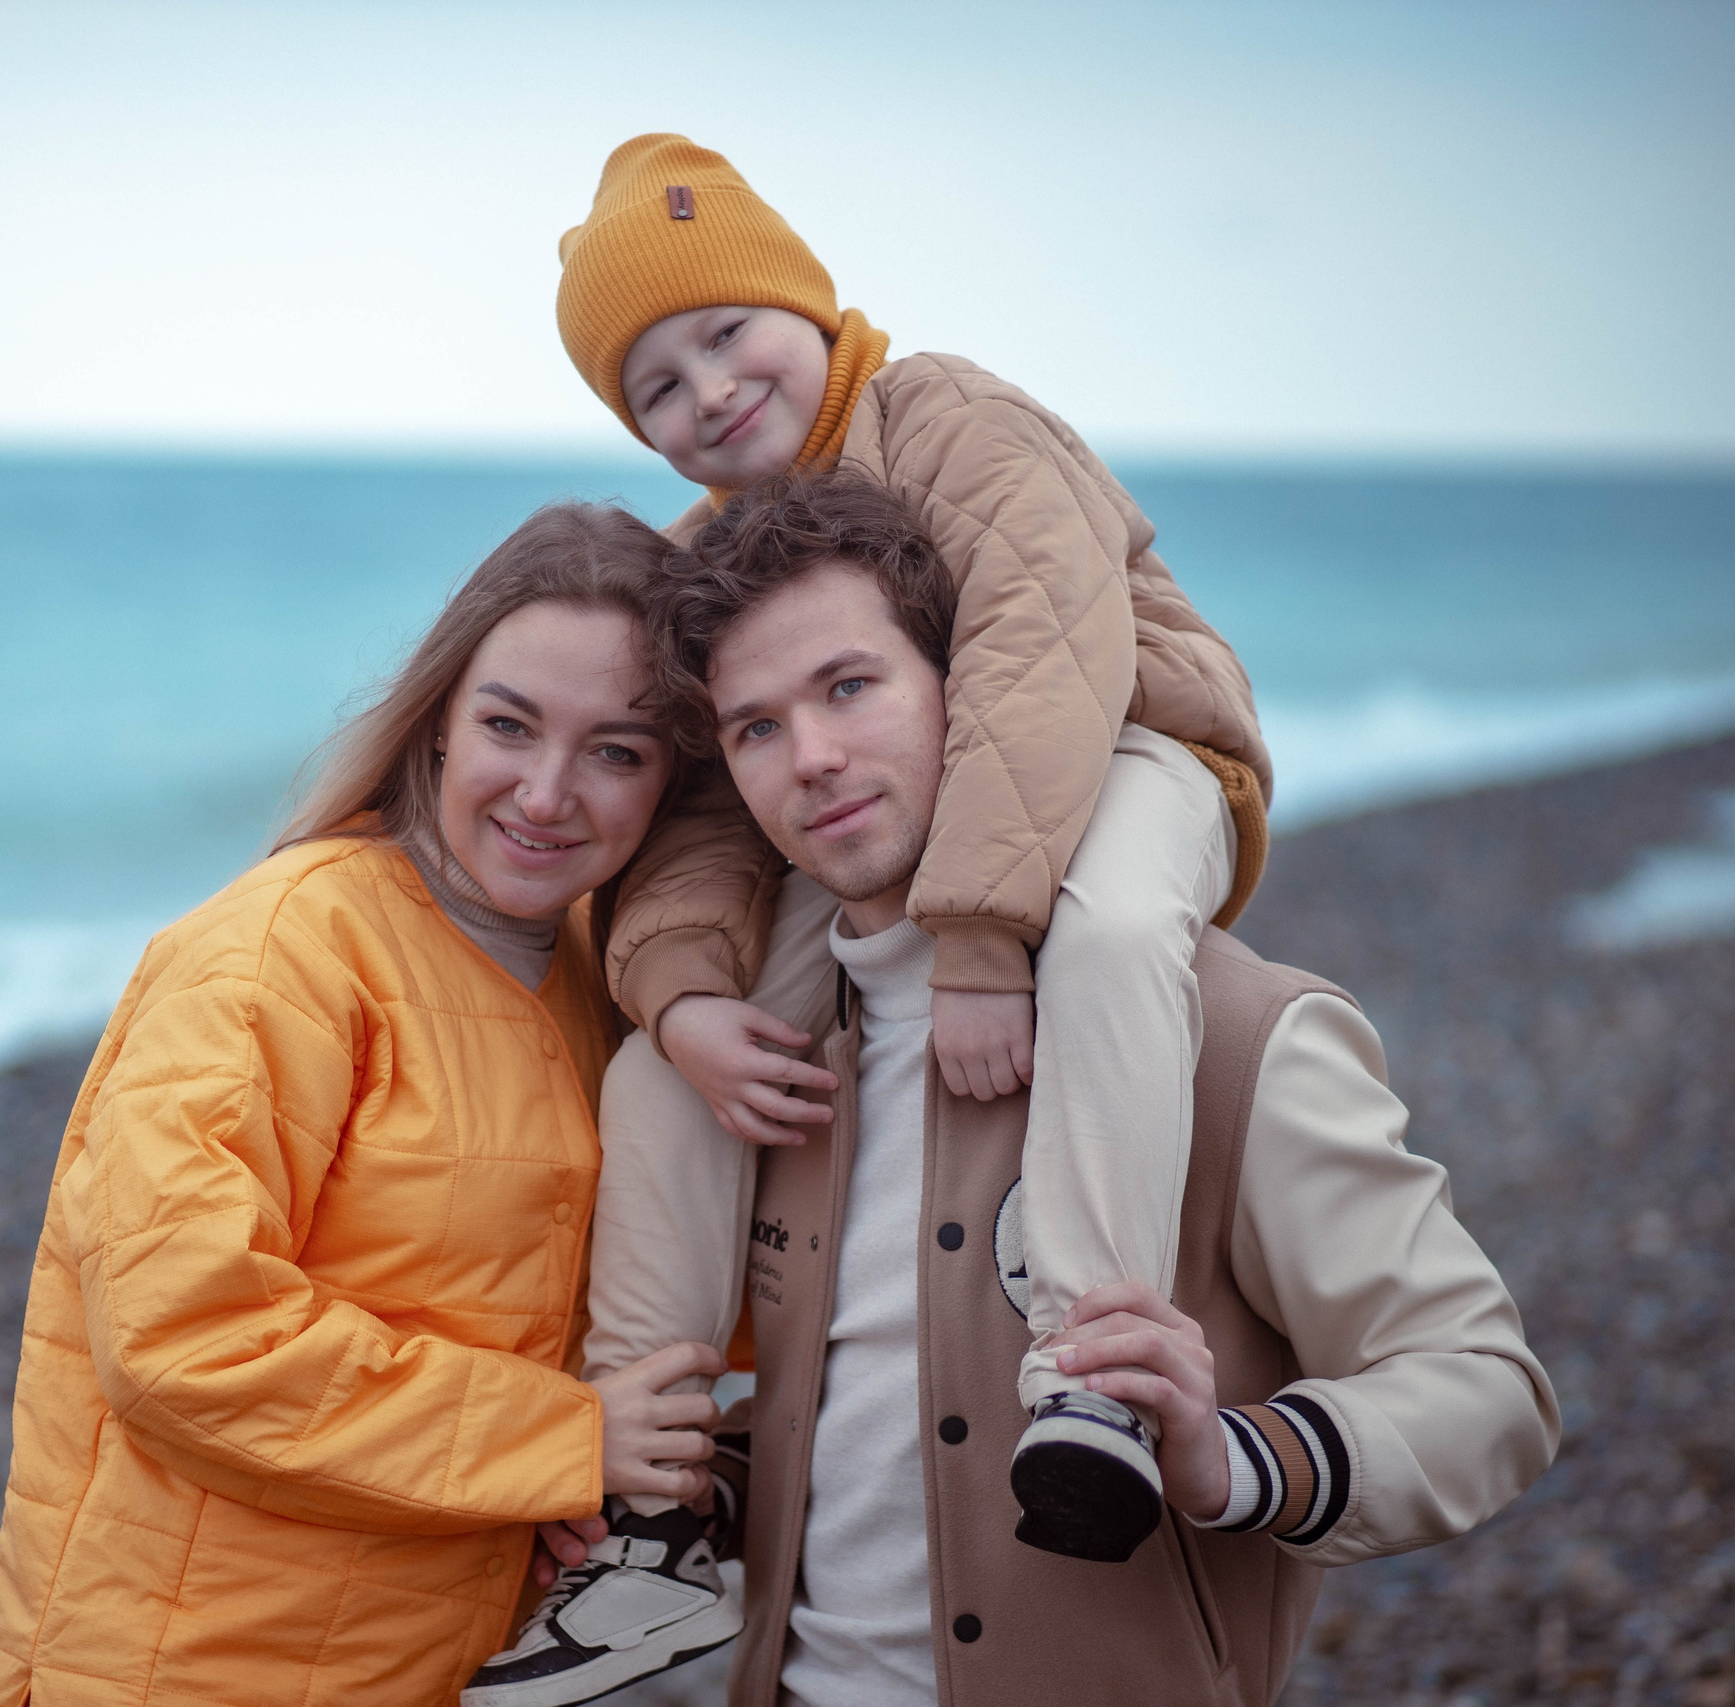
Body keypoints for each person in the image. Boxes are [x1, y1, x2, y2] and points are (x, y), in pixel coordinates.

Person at [478, 469, 1556, 1707]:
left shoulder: (1239, 1037)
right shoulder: (756, 1072)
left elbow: (1491, 1393)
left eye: (849, 686)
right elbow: (865, 1411)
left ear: (965, 690)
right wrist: (711, 1482)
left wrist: (1227, 1459)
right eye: (756, 726)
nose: (812, 760)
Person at [496, 132, 1277, 1690]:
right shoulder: (716, 559)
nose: (709, 391)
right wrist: (684, 994)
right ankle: (653, 1515)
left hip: (1129, 738)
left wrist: (986, 939)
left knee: (1116, 935)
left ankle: (1091, 1380)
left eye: (727, 332)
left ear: (805, 298)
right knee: (667, 1072)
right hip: (936, 812)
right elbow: (711, 816)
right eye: (657, 386)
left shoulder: (949, 414)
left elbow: (1040, 656)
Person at [0, 502, 753, 1707]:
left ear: (671, 781)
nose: (546, 794)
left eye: (617, 751)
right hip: (188, 1668)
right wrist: (562, 1440)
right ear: (438, 719)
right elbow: (183, 1336)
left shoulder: (597, 988)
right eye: (508, 725)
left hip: (427, 1662)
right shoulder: (281, 951)